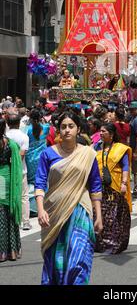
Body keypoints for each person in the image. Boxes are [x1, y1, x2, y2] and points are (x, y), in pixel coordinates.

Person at [35, 111, 103, 285]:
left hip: (80, 210)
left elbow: (95, 184)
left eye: (71, 126)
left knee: (79, 257)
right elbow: (40, 183)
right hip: (54, 212)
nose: (67, 130)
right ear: (58, 130)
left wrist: (98, 216)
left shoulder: (88, 154)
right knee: (57, 258)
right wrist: (41, 209)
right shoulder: (48, 154)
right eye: (63, 126)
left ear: (78, 129)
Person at [94, 123, 131, 254]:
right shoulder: (97, 147)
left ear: (111, 134)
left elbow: (125, 166)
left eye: (104, 131)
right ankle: (101, 243)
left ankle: (114, 243)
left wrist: (124, 183)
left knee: (115, 216)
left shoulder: (120, 149)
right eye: (100, 131)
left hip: (115, 186)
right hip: (100, 186)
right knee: (101, 214)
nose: (101, 134)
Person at [0, 118, 23, 262]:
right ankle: (11, 251)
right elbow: (17, 162)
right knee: (7, 213)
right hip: (7, 179)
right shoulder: (10, 143)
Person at [6, 115, 31, 231]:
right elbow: (22, 154)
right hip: (21, 170)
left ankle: (7, 220)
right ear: (18, 123)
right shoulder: (24, 136)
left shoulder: (5, 136)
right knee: (24, 196)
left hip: (6, 171)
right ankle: (25, 221)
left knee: (5, 195)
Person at [25, 109, 50, 215]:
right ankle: (44, 204)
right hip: (43, 158)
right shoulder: (46, 127)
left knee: (31, 182)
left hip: (30, 158)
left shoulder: (28, 129)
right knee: (43, 179)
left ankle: (33, 206)